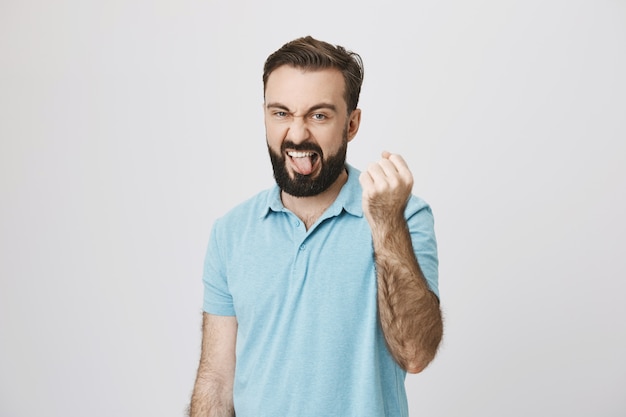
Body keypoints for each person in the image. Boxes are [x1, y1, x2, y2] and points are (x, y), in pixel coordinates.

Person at [189, 35, 443, 417]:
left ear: (352, 124)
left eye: (319, 115)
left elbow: (415, 354)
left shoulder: (403, 216)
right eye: (281, 113)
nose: (297, 134)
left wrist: (387, 222)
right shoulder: (231, 232)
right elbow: (216, 381)